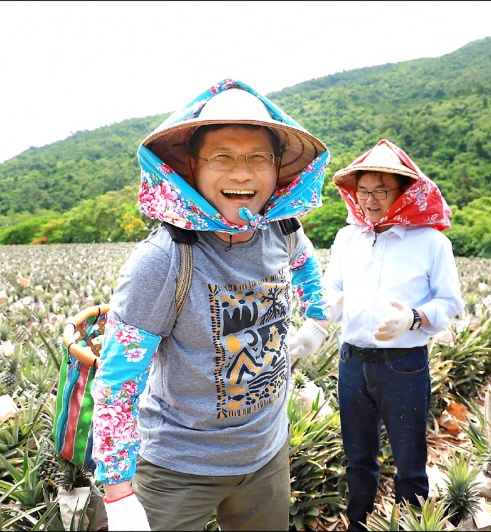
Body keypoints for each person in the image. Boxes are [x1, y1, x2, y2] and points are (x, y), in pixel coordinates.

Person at [91, 79, 331, 531]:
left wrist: (316, 318)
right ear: (191, 170)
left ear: (278, 170)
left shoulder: (282, 229)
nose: (242, 174)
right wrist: (118, 488)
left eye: (257, 158)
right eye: (222, 158)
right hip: (179, 467)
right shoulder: (163, 260)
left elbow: (305, 262)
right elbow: (119, 379)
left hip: (266, 453)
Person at [310, 138, 464, 530]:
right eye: (364, 191)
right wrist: (325, 310)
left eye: (381, 191)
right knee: (358, 459)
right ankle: (359, 523)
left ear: (403, 193)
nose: (371, 200)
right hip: (351, 361)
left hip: (403, 365)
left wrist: (413, 318)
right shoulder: (347, 238)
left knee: (410, 462)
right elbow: (331, 288)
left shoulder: (431, 242)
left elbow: (450, 303)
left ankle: (409, 524)